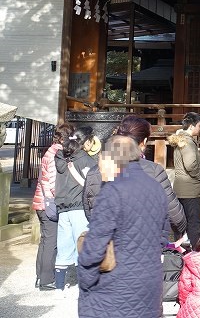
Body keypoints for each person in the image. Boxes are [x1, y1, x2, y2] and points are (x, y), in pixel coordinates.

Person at [77, 135, 170, 318]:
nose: (100, 164)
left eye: (102, 158)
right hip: (150, 284)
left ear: (112, 158)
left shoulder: (112, 191)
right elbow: (163, 236)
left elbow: (94, 247)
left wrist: (86, 283)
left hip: (114, 290)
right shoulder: (156, 188)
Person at [83, 115, 187, 237]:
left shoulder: (94, 172)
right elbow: (175, 216)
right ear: (143, 142)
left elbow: (89, 209)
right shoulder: (154, 171)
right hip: (144, 242)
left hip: (107, 245)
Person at [54, 125, 97, 295]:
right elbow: (93, 186)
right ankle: (83, 289)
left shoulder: (61, 158)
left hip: (62, 208)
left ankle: (59, 287)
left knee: (63, 246)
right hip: (80, 208)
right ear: (86, 142)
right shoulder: (86, 160)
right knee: (82, 247)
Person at [32, 122, 73, 291]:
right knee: (51, 242)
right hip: (47, 202)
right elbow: (52, 181)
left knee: (45, 241)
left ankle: (41, 276)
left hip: (40, 202)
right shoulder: (57, 153)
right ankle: (47, 280)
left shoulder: (49, 151)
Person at [168, 112, 200, 249]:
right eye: (199, 126)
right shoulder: (188, 143)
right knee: (194, 223)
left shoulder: (181, 141)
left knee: (182, 222)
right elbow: (191, 165)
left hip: (181, 187)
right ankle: (195, 251)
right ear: (191, 126)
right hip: (190, 189)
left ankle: (180, 250)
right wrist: (199, 176)